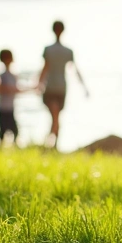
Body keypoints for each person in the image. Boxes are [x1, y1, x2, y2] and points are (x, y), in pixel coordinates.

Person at [37, 20, 88, 149]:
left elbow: (45, 68)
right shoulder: (67, 51)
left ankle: (50, 143)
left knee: (55, 117)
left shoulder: (48, 50)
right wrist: (84, 87)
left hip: (50, 87)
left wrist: (38, 84)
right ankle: (52, 143)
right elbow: (75, 70)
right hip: (61, 88)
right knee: (56, 117)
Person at [0, 49, 21, 147]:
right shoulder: (2, 76)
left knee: (15, 131)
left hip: (10, 108)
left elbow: (16, 89)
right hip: (3, 108)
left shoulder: (13, 76)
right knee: (3, 132)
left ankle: (13, 147)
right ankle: (1, 148)